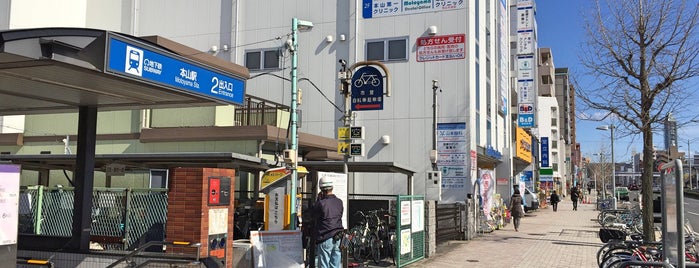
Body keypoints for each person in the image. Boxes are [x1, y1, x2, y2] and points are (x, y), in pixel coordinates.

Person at [312, 176, 344, 268]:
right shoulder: (339, 202)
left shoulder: (321, 203)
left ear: (321, 189)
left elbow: (313, 215)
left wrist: (318, 199)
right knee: (335, 264)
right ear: (332, 187)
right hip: (338, 237)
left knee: (324, 264)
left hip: (325, 236)